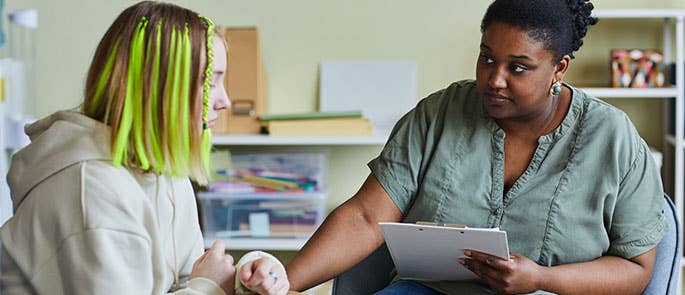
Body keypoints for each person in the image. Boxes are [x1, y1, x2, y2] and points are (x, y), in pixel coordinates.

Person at [286, 0, 667, 294]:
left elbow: (636, 270)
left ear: (559, 68)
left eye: (517, 67)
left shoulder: (612, 137)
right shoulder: (438, 114)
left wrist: (541, 278)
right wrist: (281, 283)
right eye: (487, 58)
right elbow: (365, 218)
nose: (494, 79)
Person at [0, 2, 289, 295]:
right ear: (160, 87)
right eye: (208, 82)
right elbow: (199, 287)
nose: (225, 101)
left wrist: (245, 281)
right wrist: (209, 286)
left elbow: (186, 281)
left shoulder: (167, 174)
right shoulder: (93, 191)